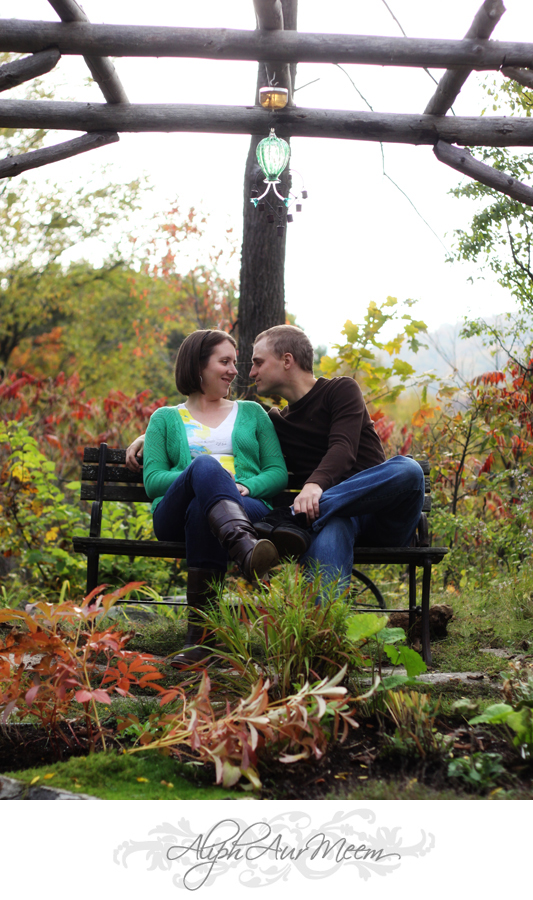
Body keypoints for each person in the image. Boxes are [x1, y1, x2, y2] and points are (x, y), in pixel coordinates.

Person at [127, 324, 425, 601]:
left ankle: (291, 515)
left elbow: (343, 448)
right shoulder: (275, 421)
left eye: (257, 362)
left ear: (286, 360)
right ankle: (317, 642)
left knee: (408, 469)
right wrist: (148, 436)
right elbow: (205, 424)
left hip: (377, 514)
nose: (250, 372)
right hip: (327, 518)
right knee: (331, 529)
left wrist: (313, 487)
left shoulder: (340, 390)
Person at [142, 329, 291, 668]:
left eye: (234, 363)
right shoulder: (164, 419)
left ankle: (200, 641)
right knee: (204, 470)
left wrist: (248, 487)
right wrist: (201, 477)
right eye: (224, 362)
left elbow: (277, 473)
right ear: (198, 366)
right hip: (173, 517)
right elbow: (153, 482)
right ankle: (247, 551)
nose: (233, 370)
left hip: (244, 506)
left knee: (202, 508)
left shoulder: (252, 413)